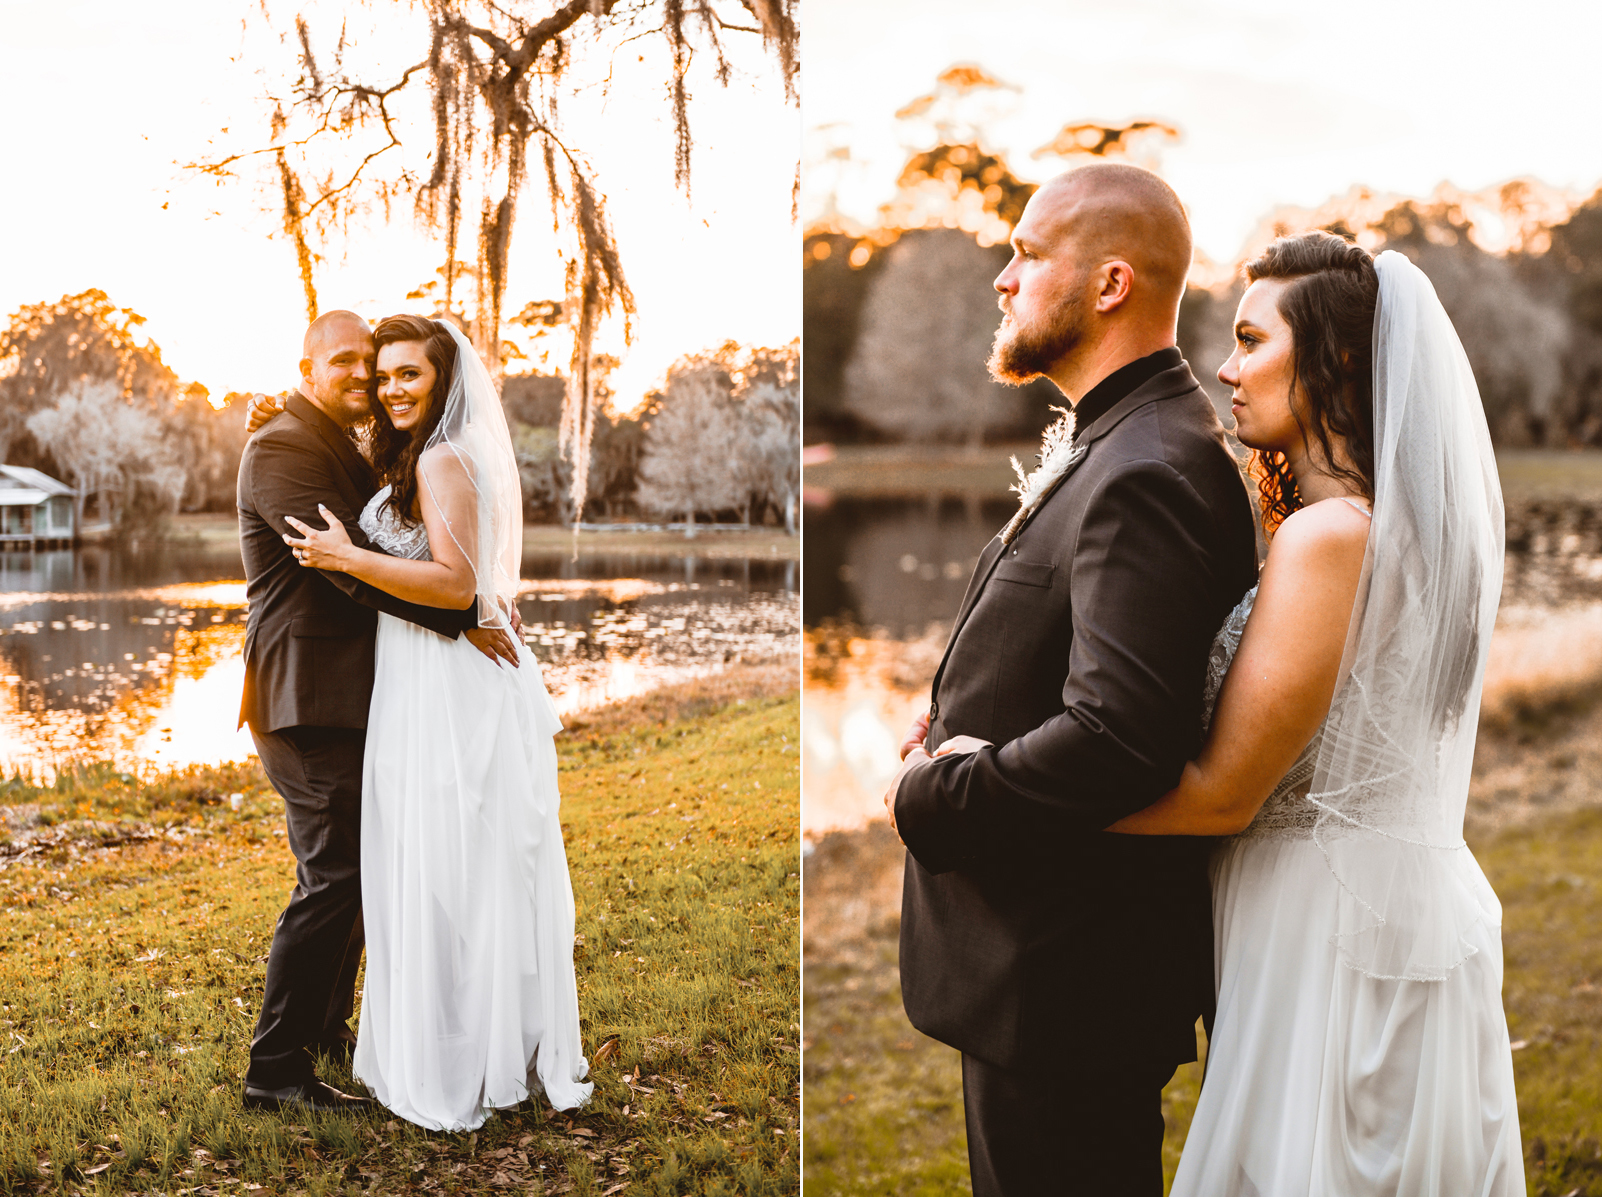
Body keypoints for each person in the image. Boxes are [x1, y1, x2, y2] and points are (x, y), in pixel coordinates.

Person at [883, 163, 1260, 1196]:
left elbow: (1121, 737)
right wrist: (962, 704)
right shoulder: (1120, 437)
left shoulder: (1146, 466)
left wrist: (935, 791)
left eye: (1026, 253)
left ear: (1109, 285)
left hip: (1065, 980)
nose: (1002, 279)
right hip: (1042, 978)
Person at [283, 314, 593, 1130]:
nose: (390, 388)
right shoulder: (413, 456)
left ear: (443, 378)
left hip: (450, 679)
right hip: (419, 674)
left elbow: (456, 586)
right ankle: (466, 1042)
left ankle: (466, 1059)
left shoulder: (446, 457)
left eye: (407, 375)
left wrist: (348, 555)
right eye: (382, 376)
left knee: (458, 863)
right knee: (439, 862)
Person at [236, 310, 519, 1114]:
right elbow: (347, 573)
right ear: (305, 366)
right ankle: (275, 1071)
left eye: (373, 365)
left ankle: (326, 1034)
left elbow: (416, 545)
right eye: (346, 365)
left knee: (359, 872)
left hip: (357, 696)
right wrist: (467, 617)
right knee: (333, 876)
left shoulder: (348, 439)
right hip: (304, 695)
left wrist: (479, 596)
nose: (364, 378)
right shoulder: (285, 446)